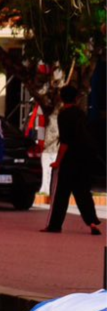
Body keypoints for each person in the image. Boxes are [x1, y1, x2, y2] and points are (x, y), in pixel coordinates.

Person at [44, 84, 101, 235]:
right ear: (76, 98)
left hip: (69, 160)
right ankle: (92, 222)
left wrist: (58, 161)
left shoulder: (63, 115)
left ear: (61, 98)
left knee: (61, 194)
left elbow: (65, 142)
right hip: (84, 159)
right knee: (83, 193)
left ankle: (54, 225)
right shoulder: (82, 114)